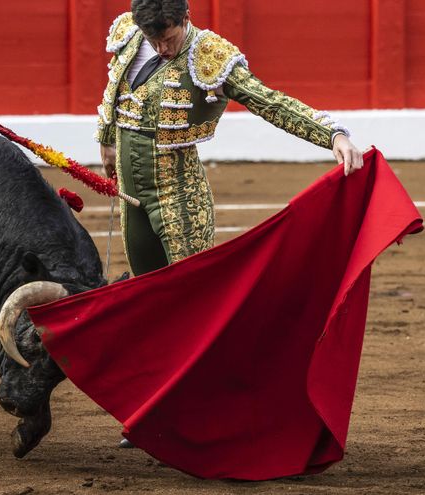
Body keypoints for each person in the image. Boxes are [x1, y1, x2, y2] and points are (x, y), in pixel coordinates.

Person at [96, 0, 364, 448]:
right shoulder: (131, 34)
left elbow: (268, 102)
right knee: (149, 302)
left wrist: (333, 134)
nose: (162, 48)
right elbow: (114, 91)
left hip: (179, 198)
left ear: (186, 19)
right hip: (133, 196)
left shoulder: (210, 55)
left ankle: (207, 414)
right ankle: (153, 411)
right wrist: (106, 139)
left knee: (195, 310)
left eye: (169, 37)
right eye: (154, 40)